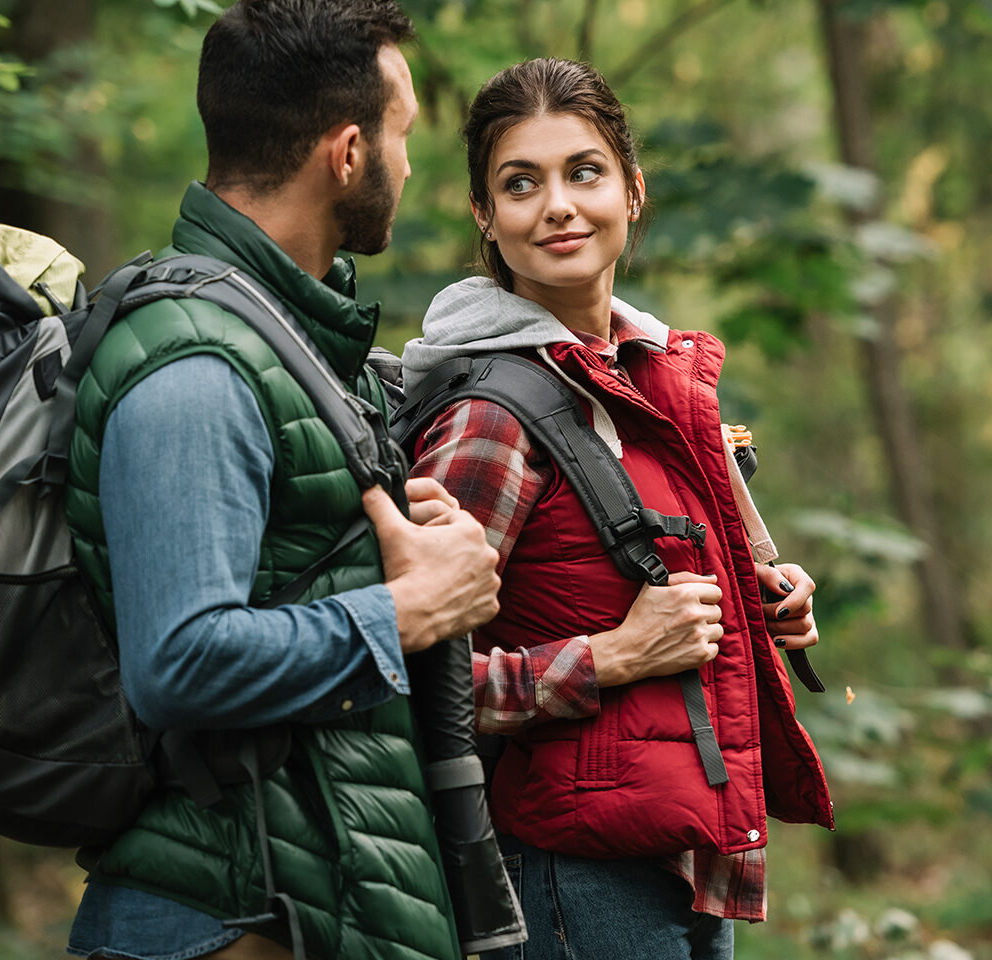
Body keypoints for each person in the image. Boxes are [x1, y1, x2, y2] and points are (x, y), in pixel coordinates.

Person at [63, 3, 501, 959]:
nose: (411, 163)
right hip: (224, 917)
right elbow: (180, 660)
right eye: (403, 134)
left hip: (297, 900)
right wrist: (408, 611)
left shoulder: (291, 342)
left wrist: (382, 550)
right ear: (347, 153)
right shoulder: (195, 367)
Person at [398, 58, 836, 960]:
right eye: (521, 183)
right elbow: (408, 678)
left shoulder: (651, 380)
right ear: (486, 216)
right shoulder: (490, 415)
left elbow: (645, 584)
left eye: (583, 172)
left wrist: (763, 601)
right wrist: (611, 657)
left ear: (633, 191)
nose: (557, 205)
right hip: (562, 872)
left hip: (683, 849)